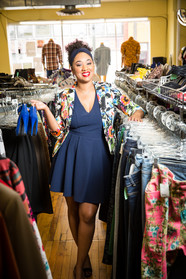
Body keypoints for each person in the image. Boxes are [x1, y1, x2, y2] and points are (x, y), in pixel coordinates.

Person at [31, 39, 144, 279]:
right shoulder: (65, 95)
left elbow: (135, 106)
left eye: (88, 62)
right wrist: (46, 110)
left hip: (97, 158)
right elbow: (56, 131)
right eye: (78, 63)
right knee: (73, 210)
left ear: (93, 65)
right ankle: (85, 257)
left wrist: (135, 113)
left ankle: (78, 262)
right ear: (71, 69)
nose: (85, 67)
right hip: (71, 154)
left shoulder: (108, 91)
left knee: (87, 213)